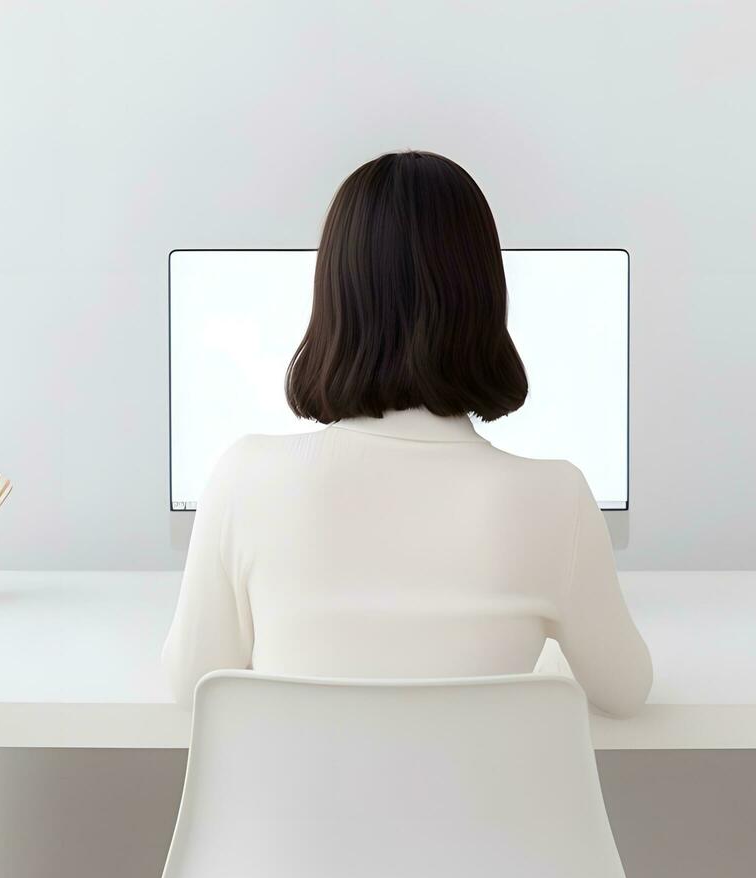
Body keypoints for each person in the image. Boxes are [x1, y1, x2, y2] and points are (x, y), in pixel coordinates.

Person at [163, 150, 652, 717]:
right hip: (481, 809)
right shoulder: (557, 497)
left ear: (333, 297)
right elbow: (624, 693)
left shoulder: (244, 475)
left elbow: (190, 685)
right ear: (486, 300)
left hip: (299, 808)